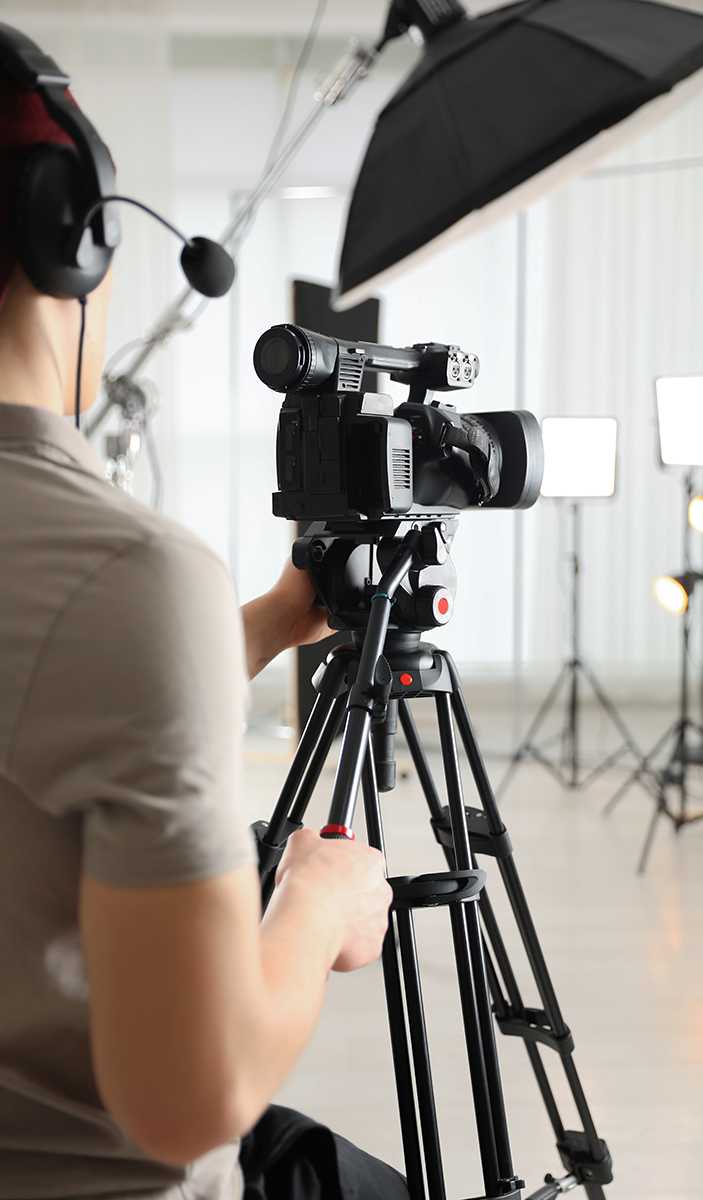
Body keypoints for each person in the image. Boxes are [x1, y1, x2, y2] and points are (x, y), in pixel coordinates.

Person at [0, 64, 394, 1200]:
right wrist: (318, 900)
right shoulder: (129, 574)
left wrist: (263, 624)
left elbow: (42, 692)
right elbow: (193, 1094)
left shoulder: (113, 591)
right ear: (71, 242)